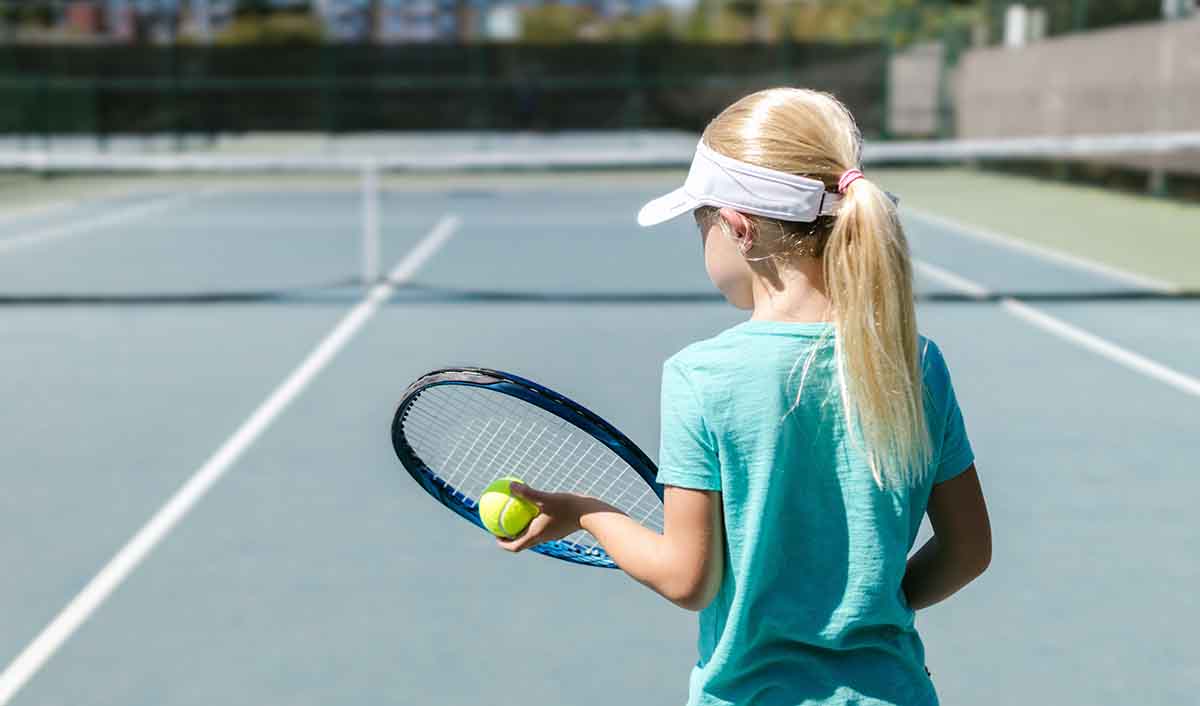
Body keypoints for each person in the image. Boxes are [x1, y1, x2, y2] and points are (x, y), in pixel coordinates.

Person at [498, 87, 992, 706]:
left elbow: (688, 580)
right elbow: (968, 551)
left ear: (739, 228)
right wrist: (871, 613)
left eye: (700, 223)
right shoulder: (917, 361)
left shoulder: (701, 376)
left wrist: (586, 513)